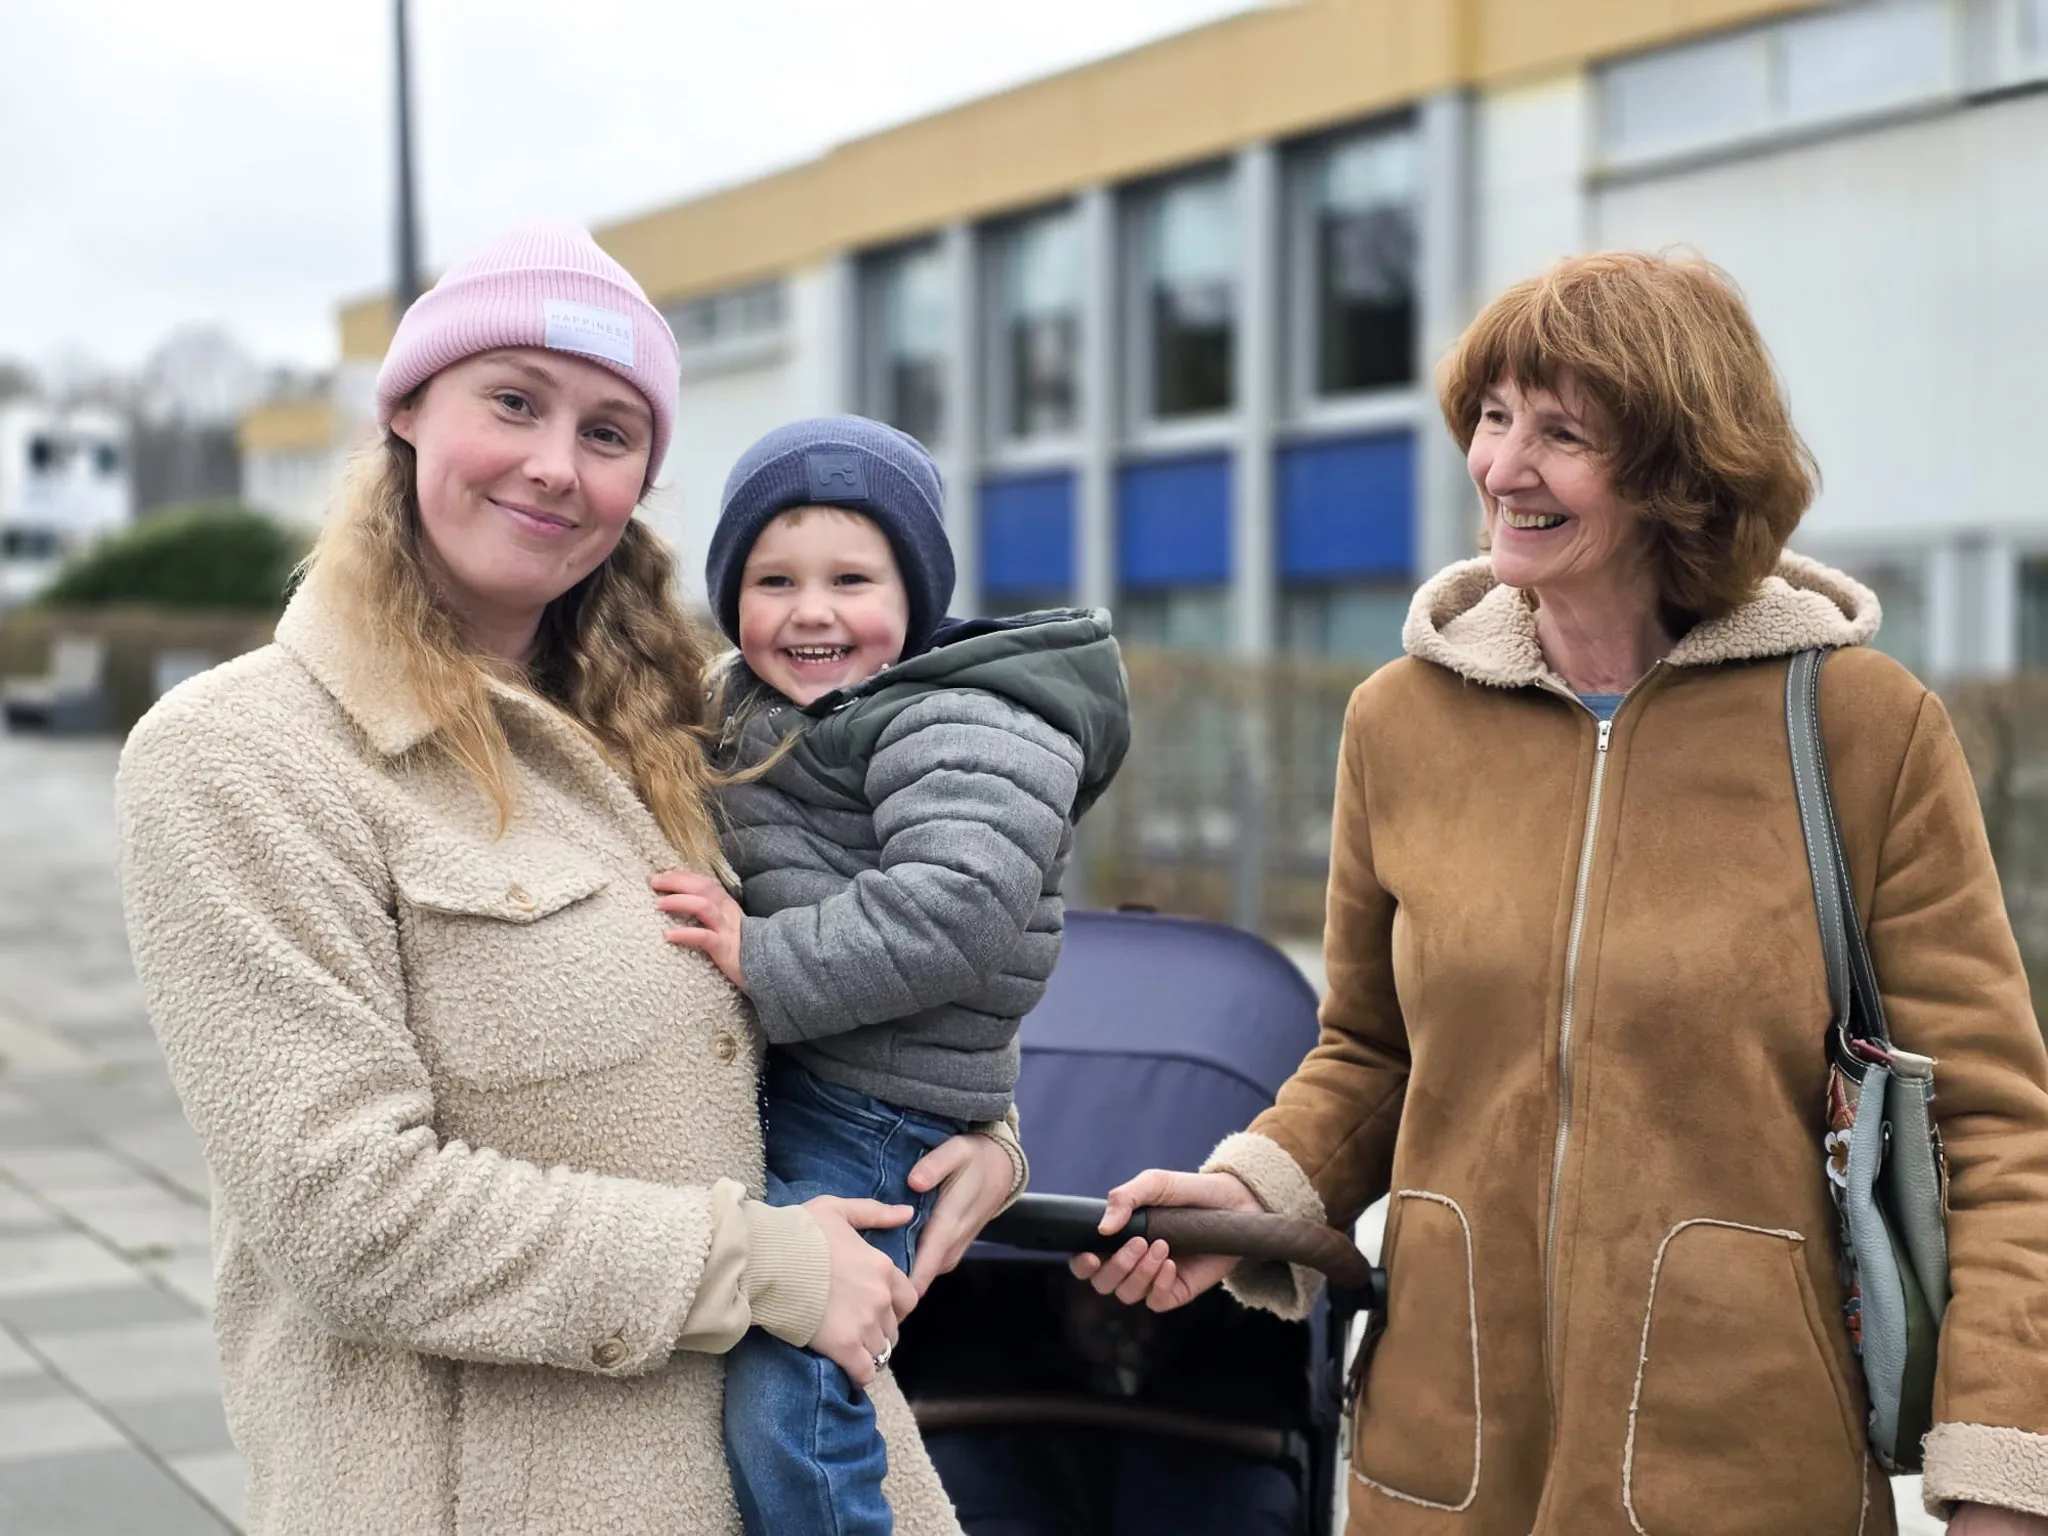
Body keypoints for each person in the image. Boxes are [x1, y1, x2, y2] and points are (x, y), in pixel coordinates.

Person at [1072, 251, 2048, 1536]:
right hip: (1441, 1462)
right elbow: (1370, 1053)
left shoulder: (1861, 728)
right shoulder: (1398, 721)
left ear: (1678, 473)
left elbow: (1990, 1128)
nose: (1502, 467)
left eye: (1561, 434)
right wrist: (1255, 1197)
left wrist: (2001, 1479)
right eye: (1492, 418)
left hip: (1746, 1476)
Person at [114, 224, 1021, 1535]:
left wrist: (979, 1138)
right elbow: (341, 1212)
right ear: (408, 410)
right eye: (513, 402)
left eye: (608, 432)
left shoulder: (691, 725)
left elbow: (850, 955)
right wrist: (755, 1264)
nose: (555, 464)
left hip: (805, 1475)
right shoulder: (240, 754)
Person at [650, 414, 1129, 1534]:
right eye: (773, 580)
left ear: (916, 594)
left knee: (796, 1372)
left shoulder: (967, 718)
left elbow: (954, 907)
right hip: (818, 1075)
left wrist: (759, 953)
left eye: (850, 579)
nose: (810, 611)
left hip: (877, 1108)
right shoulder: (755, 701)